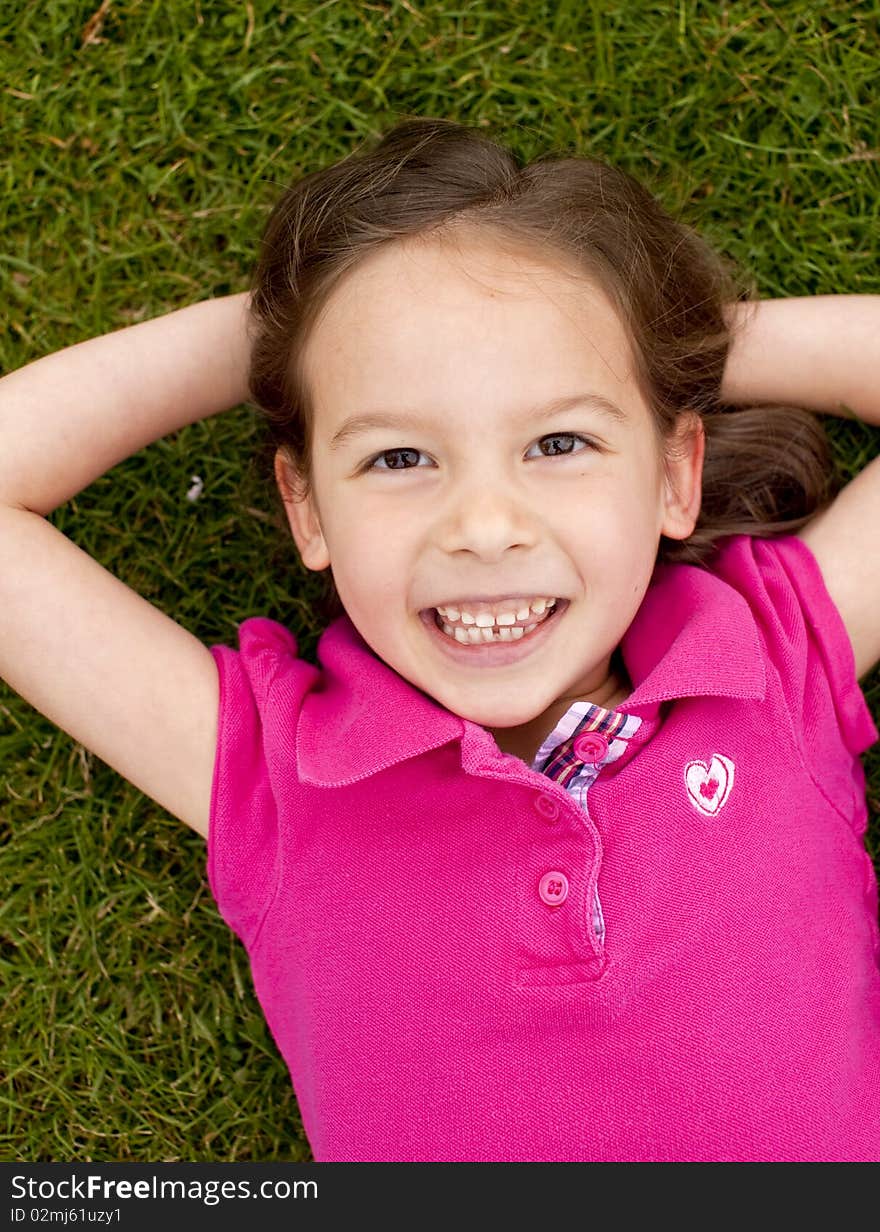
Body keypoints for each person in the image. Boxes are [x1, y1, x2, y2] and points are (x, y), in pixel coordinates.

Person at [2, 116, 879, 1163]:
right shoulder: (273, 770)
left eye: (560, 440)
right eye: (398, 456)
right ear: (307, 509)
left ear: (672, 475)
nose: (482, 526)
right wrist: (295, 333)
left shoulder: (768, 658)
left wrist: (662, 332)